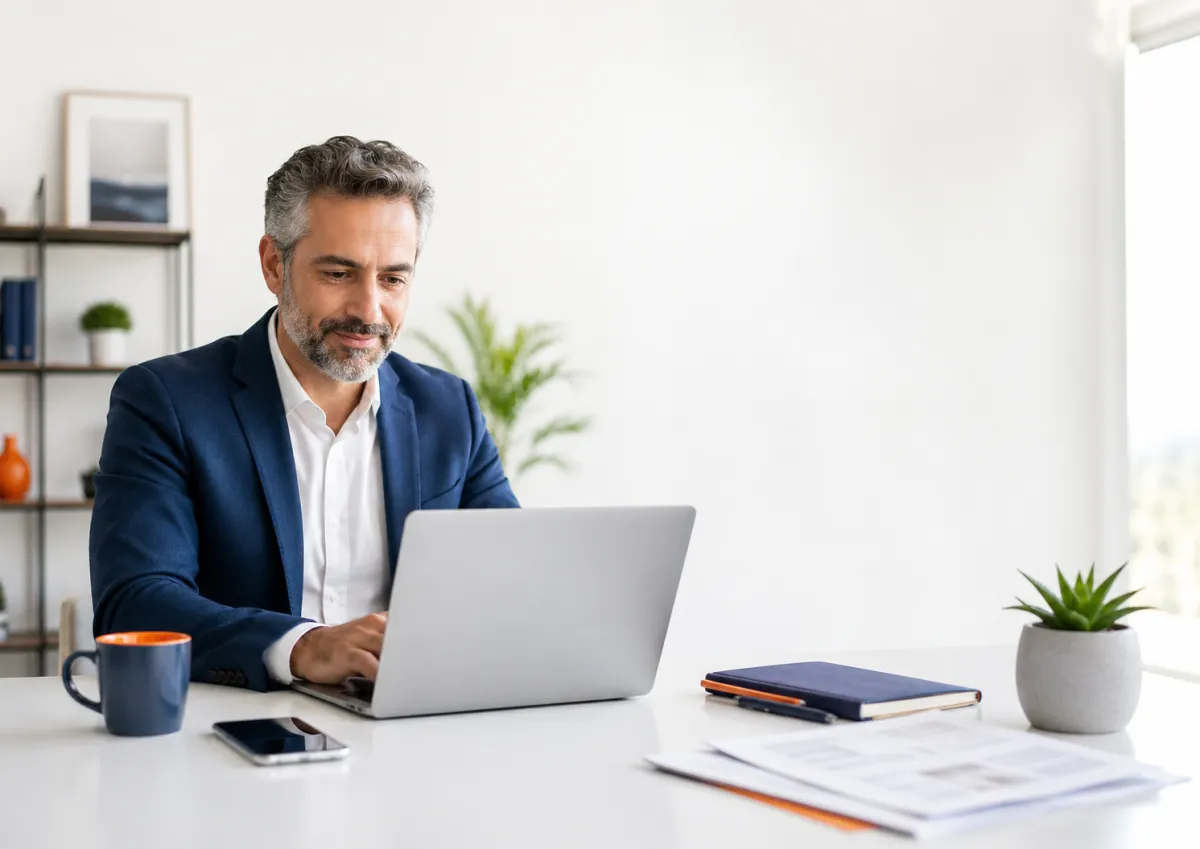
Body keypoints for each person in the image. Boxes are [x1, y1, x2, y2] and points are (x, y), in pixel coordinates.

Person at [89, 136, 519, 692]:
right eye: (338, 274)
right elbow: (135, 601)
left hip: (411, 730)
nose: (369, 310)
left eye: (393, 278)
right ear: (274, 265)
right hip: (238, 733)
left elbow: (513, 581)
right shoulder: (164, 400)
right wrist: (303, 646)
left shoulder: (448, 408)